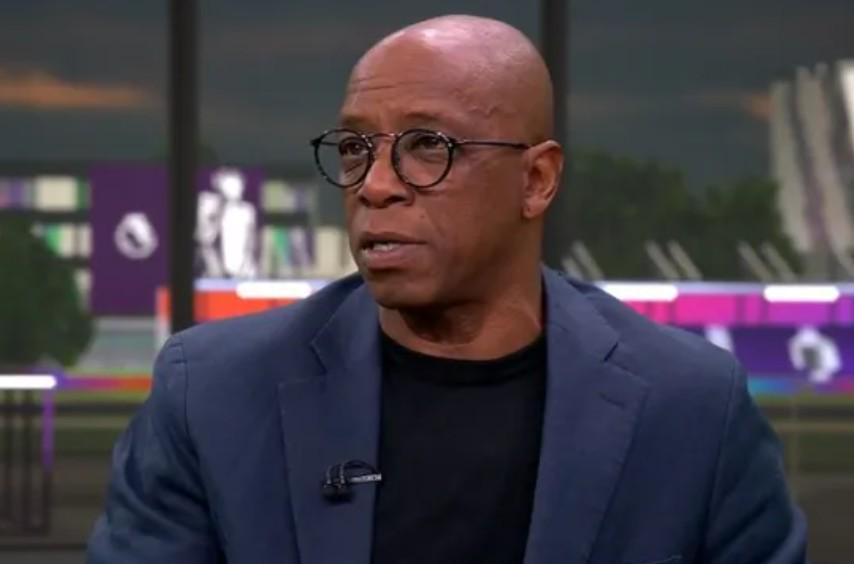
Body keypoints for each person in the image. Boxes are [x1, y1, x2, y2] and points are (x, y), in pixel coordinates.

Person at [87, 14, 807, 564]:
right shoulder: (212, 394)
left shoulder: (692, 409)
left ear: (537, 180)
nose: (375, 186)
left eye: (428, 146)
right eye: (355, 148)